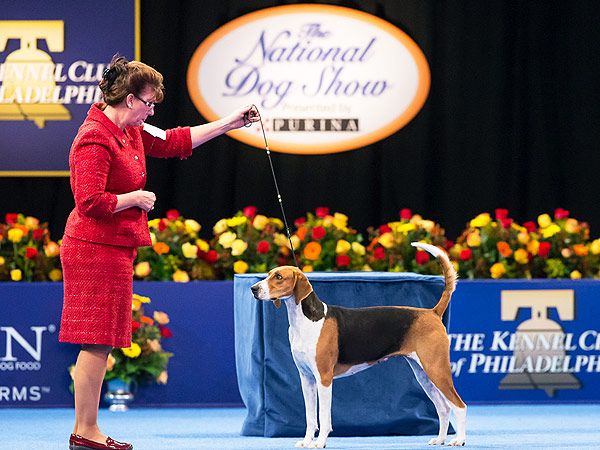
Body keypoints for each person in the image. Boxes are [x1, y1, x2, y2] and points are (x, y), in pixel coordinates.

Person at [59, 54, 257, 450]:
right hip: (92, 248)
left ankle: (86, 430)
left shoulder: (130, 130)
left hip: (114, 247)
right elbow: (89, 202)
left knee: (101, 340)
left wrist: (229, 123)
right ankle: (85, 432)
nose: (152, 110)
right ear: (130, 99)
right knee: (95, 340)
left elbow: (175, 141)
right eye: (149, 103)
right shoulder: (95, 138)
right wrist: (134, 197)